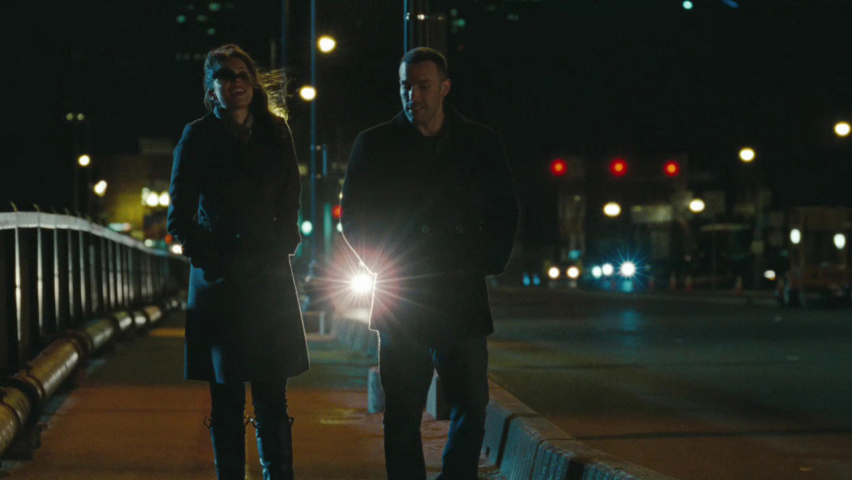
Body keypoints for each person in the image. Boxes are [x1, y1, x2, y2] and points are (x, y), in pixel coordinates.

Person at [340, 47, 519, 480]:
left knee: (471, 402)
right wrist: (381, 263)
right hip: (401, 293)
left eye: (423, 86)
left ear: (444, 88)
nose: (413, 95)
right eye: (406, 86)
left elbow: (504, 210)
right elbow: (354, 218)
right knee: (402, 410)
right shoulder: (375, 143)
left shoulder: (479, 142)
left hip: (459, 292)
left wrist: (484, 262)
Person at [167, 44, 309, 480]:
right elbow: (179, 216)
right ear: (212, 89)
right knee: (226, 397)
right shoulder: (197, 135)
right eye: (225, 77)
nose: (237, 83)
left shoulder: (275, 131)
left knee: (272, 395)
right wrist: (212, 257)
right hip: (221, 283)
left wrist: (282, 243)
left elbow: (290, 199)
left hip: (268, 278)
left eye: (243, 74)